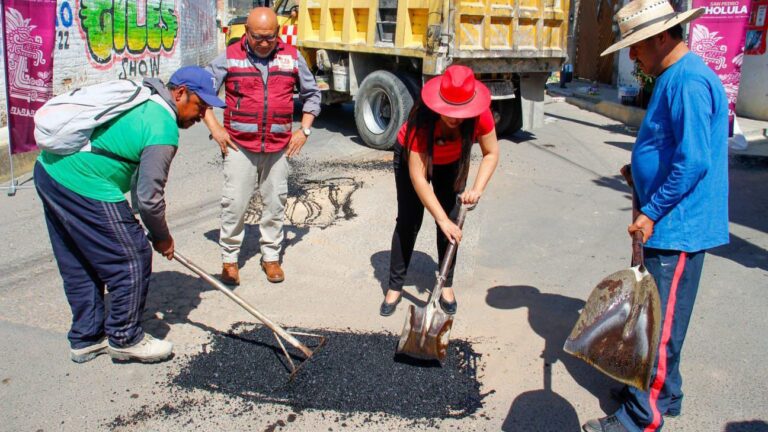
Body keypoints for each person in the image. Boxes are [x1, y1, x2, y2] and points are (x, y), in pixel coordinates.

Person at [582, 0, 729, 431]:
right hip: (666, 222)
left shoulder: (689, 81)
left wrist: (651, 211)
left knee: (658, 328)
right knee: (657, 319)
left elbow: (694, 160)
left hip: (677, 227)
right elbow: (671, 148)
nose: (632, 56)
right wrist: (640, 172)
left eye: (636, 46)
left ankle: (639, 419)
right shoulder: (673, 77)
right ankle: (665, 394)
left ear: (662, 37)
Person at [34, 67, 226, 363]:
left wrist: (149, 227)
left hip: (49, 171)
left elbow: (139, 186)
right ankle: (125, 337)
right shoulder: (163, 128)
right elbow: (150, 199)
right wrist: (161, 238)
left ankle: (87, 337)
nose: (201, 115)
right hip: (82, 180)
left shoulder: (146, 99)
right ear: (179, 93)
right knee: (132, 255)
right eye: (200, 105)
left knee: (79, 257)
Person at [204, 7, 321, 285]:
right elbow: (201, 92)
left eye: (270, 37)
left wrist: (304, 130)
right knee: (235, 204)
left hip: (278, 147)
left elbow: (312, 94)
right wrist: (215, 129)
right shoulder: (230, 57)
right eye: (258, 37)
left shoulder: (291, 57)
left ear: (278, 33)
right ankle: (230, 260)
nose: (265, 43)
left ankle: (271, 257)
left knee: (275, 204)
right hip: (239, 147)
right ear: (246, 32)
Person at [380, 65, 500, 317]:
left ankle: (446, 284)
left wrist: (476, 190)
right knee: (409, 220)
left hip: (452, 161)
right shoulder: (422, 119)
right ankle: (394, 286)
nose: (454, 118)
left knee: (451, 222)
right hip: (411, 159)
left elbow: (491, 153)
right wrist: (441, 219)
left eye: (460, 112)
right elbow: (419, 178)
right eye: (449, 111)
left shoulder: (481, 115)